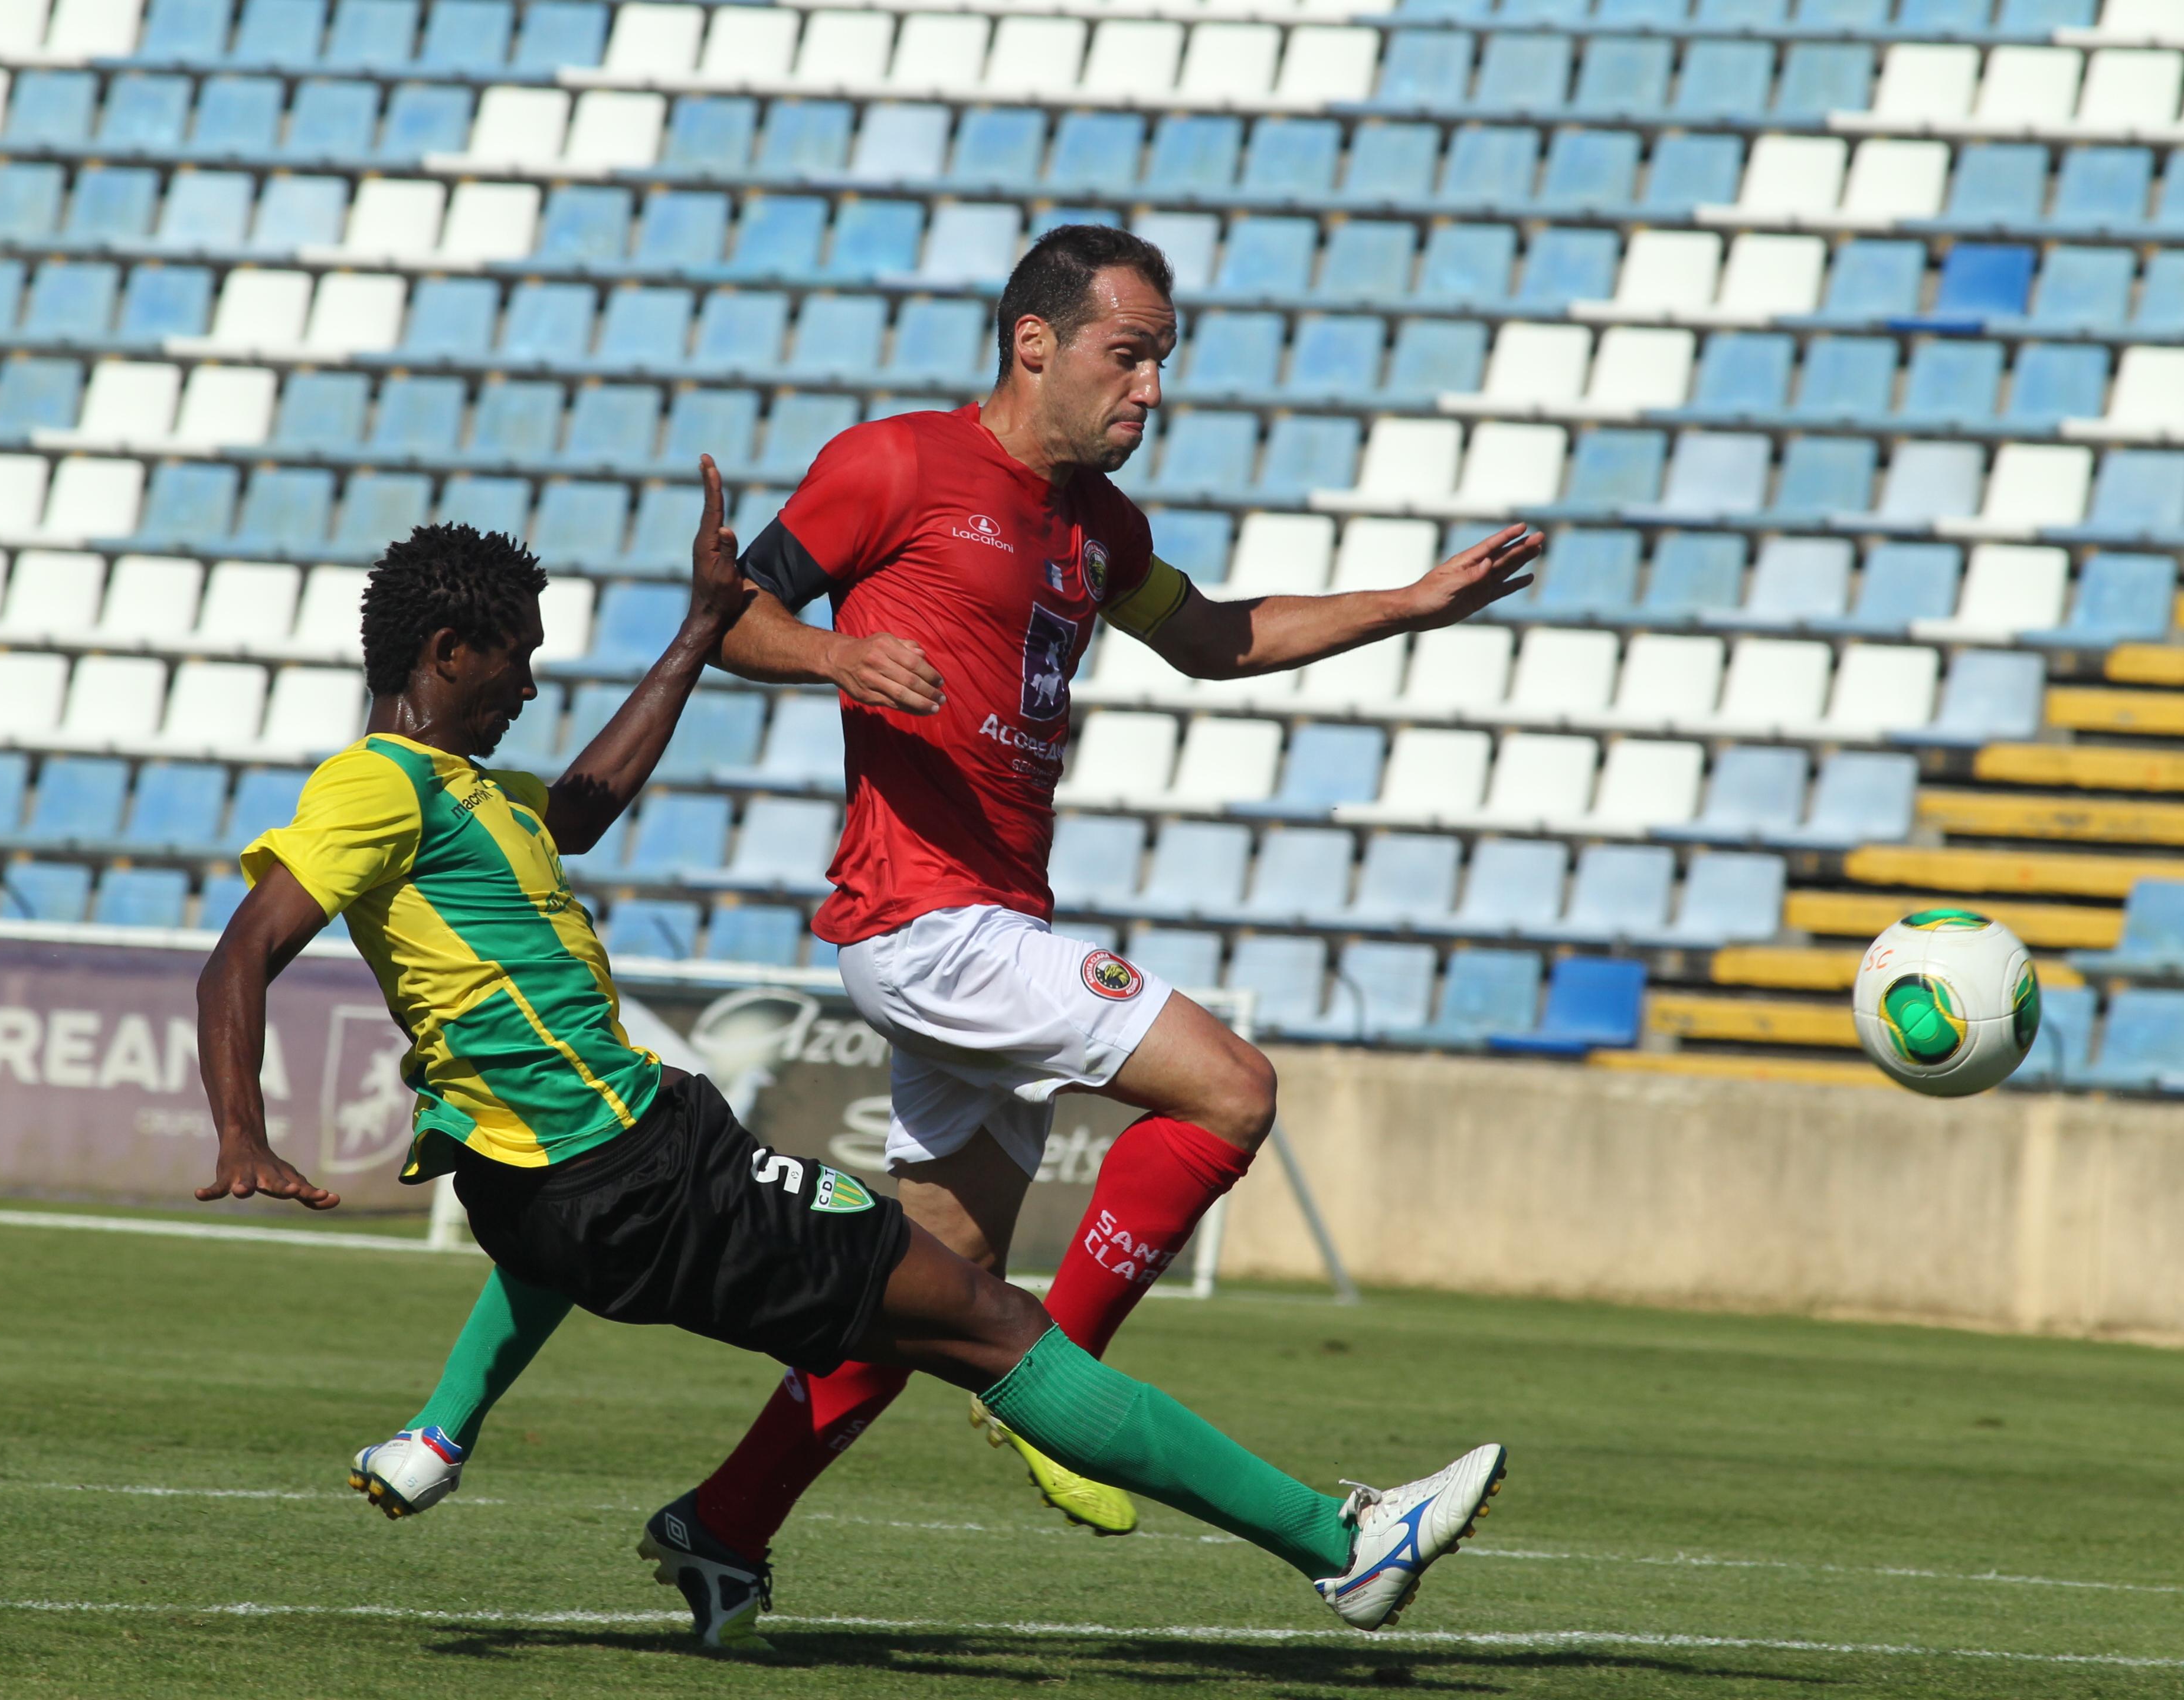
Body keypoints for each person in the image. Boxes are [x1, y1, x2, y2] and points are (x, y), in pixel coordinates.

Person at [195, 480, 1507, 1656]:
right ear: (446, 652)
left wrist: (701, 630)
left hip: (556, 1187)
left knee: (899, 1294)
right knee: (995, 1327)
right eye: (516, 662)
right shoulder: (379, 788)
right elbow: (244, 952)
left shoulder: (480, 794)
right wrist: (242, 1130)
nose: (529, 690)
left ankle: (637, 1500)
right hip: (650, 1175)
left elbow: (584, 806)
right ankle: (1343, 1547)